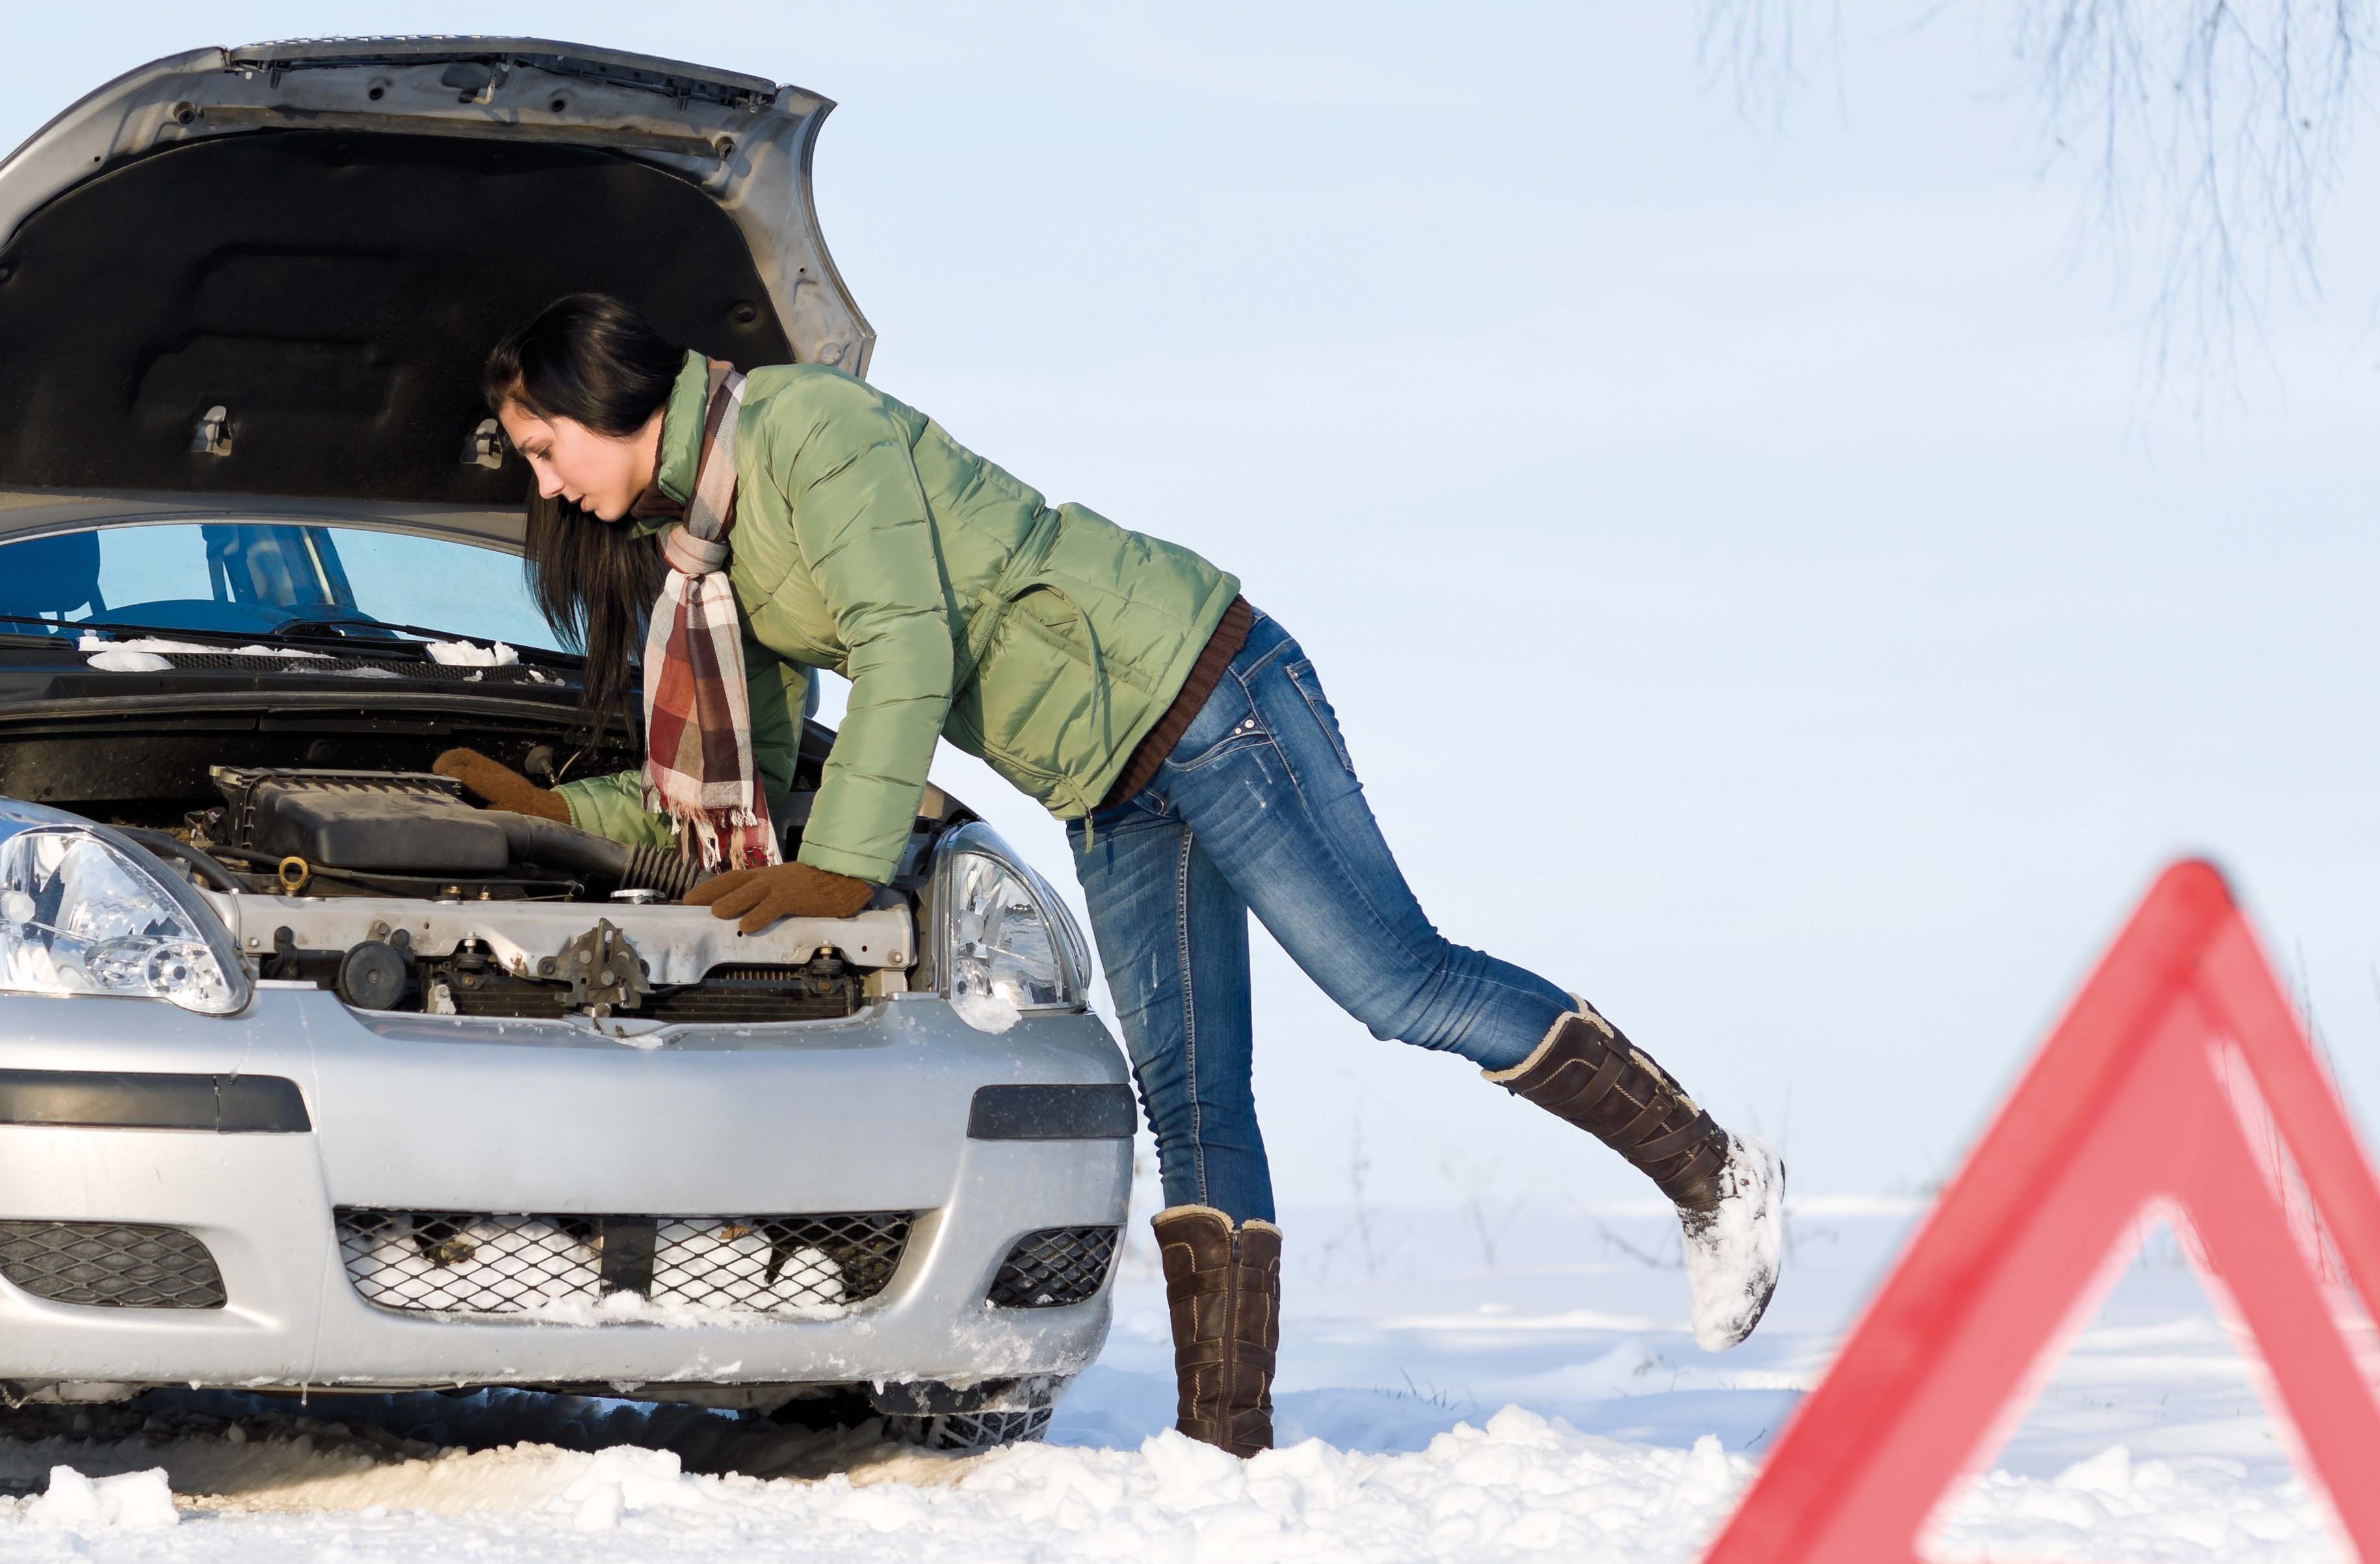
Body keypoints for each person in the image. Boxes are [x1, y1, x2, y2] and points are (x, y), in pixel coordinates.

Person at [433, 294, 1784, 1456]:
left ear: (601, 397)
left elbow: (908, 647)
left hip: (1204, 688)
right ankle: (1226, 1447)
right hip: (1110, 775)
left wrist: (846, 874)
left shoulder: (804, 431)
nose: (546, 483)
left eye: (546, 450)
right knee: (1190, 1095)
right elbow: (760, 768)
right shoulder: (713, 550)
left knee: (1394, 980)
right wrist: (561, 808)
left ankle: (1712, 1171)